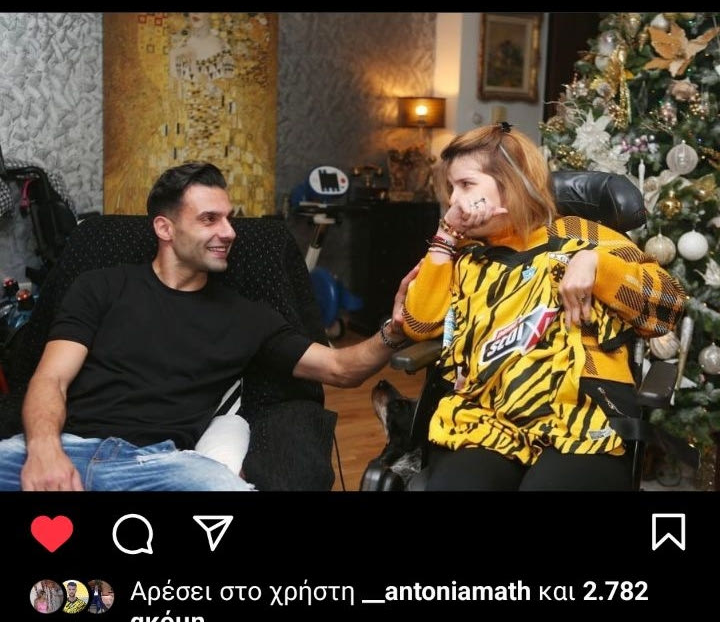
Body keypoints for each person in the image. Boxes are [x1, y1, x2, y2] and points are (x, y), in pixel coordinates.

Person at [0, 161, 415, 492]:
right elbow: (51, 378)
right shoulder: (100, 286)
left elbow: (341, 369)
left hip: (159, 467)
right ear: (165, 228)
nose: (229, 232)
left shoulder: (246, 316)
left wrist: (394, 330)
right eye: (209, 219)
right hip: (64, 446)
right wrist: (45, 451)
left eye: (229, 219)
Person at [400, 123, 686, 491]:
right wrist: (444, 238)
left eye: (466, 185)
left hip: (584, 418)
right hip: (487, 420)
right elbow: (419, 325)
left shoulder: (584, 236)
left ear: (511, 183)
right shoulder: (466, 257)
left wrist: (598, 266)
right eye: (451, 188)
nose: (454, 200)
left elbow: (668, 308)